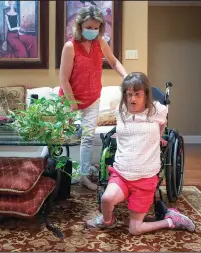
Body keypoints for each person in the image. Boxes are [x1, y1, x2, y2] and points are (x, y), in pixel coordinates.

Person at [86, 72, 195, 234]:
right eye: (129, 94)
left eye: (137, 94)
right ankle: (107, 221)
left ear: (146, 95)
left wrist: (158, 138)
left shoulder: (156, 111)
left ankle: (171, 221)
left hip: (145, 177)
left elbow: (162, 123)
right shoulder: (121, 110)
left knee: (135, 229)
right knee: (106, 199)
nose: (132, 99)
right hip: (121, 173)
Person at [59, 6, 127, 190]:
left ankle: (84, 176)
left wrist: (126, 75)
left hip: (93, 97)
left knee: (87, 138)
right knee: (58, 137)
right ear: (80, 26)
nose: (93, 30)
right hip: (70, 98)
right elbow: (64, 78)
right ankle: (50, 173)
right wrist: (72, 102)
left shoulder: (101, 43)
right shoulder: (70, 46)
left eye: (96, 27)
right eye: (89, 27)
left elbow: (113, 61)